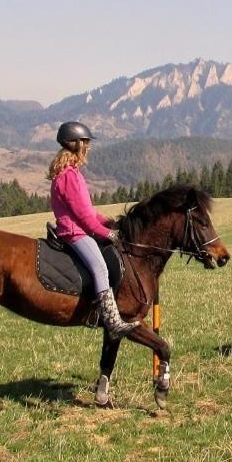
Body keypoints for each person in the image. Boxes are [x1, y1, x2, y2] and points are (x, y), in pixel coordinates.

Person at [48, 121, 139, 338]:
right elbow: (85, 219)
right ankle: (112, 321)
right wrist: (108, 234)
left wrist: (109, 222)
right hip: (74, 233)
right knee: (100, 268)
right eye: (85, 143)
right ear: (75, 145)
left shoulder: (72, 174)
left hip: (79, 228)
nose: (88, 147)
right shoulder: (69, 177)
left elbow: (88, 211)